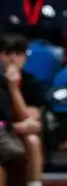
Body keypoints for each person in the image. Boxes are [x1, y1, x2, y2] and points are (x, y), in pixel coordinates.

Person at [0, 34, 44, 186]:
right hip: (7, 129)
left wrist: (14, 88)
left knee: (32, 140)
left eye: (18, 54)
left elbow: (29, 118)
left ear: (25, 58)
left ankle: (34, 183)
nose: (13, 59)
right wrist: (14, 127)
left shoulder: (31, 82)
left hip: (13, 131)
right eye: (7, 54)